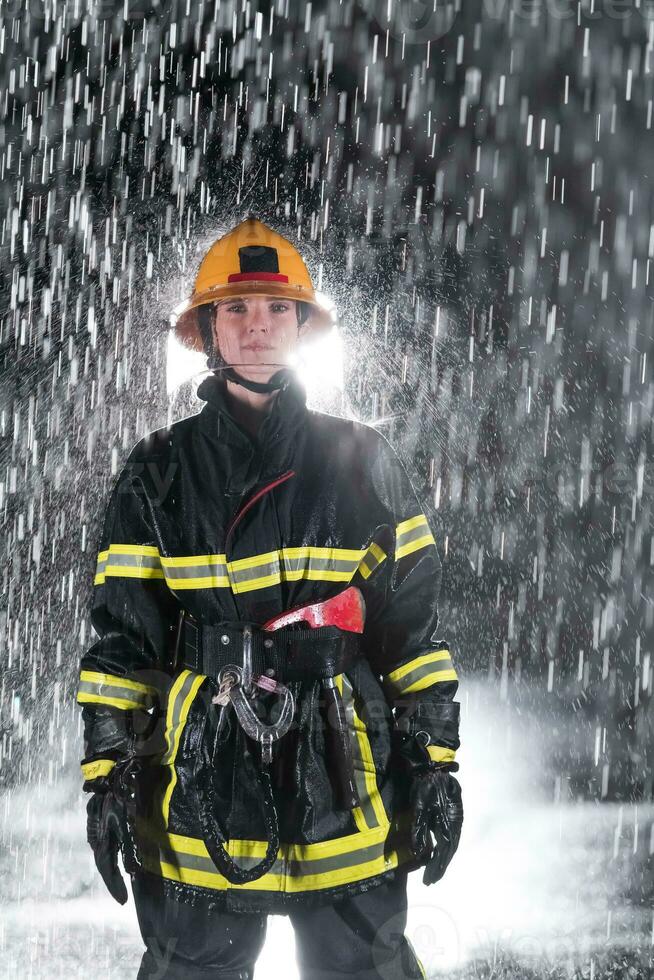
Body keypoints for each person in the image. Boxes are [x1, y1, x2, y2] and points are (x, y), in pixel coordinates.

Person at [77, 216, 464, 979]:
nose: (258, 327)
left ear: (301, 326)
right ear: (209, 332)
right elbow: (123, 644)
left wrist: (435, 768)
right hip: (202, 775)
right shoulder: (157, 472)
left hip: (343, 765)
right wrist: (109, 776)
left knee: (366, 967)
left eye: (277, 309)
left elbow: (411, 636)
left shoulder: (364, 460)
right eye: (237, 309)